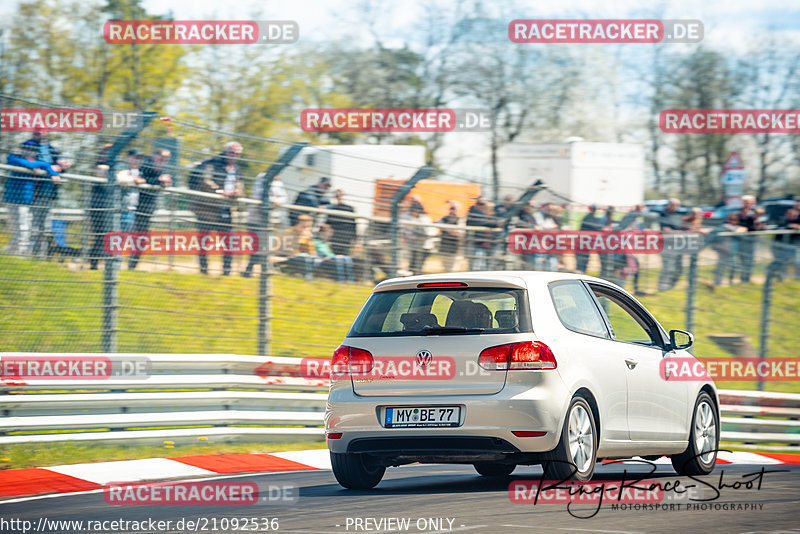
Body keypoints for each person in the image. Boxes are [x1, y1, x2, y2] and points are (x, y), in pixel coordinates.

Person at [188, 141, 244, 275]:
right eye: (231, 152)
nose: (233, 156)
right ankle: (203, 270)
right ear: (225, 152)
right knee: (204, 241)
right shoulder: (212, 163)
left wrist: (237, 192)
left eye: (237, 154)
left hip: (227, 210)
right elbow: (205, 180)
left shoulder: (236, 169)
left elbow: (241, 185)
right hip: (207, 209)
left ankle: (226, 271)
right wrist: (220, 191)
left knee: (229, 241)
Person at [3, 141, 60, 256]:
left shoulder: (38, 162)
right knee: (16, 228)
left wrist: (52, 172)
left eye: (32, 150)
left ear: (35, 152)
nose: (28, 151)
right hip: (12, 199)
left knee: (24, 227)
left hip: (25, 201)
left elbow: (46, 165)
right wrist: (39, 166)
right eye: (26, 148)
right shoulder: (13, 158)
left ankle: (19, 254)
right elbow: (29, 164)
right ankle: (13, 253)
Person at [27, 130, 71, 258]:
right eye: (36, 129)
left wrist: (62, 166)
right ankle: (27, 254)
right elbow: (30, 163)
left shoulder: (52, 150)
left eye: (41, 129)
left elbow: (61, 166)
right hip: (29, 192)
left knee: (44, 226)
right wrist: (49, 168)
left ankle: (40, 254)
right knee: (30, 224)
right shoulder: (28, 145)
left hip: (46, 194)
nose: (38, 132)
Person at [127, 149, 173, 270]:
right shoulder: (145, 165)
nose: (162, 163)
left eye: (164, 161)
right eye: (160, 159)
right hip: (132, 205)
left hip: (147, 208)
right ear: (154, 156)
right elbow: (139, 180)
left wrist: (162, 181)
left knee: (141, 237)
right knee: (127, 234)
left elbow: (165, 181)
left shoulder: (160, 169)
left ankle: (132, 265)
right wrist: (158, 181)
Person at [242, 173, 288, 278]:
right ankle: (255, 271)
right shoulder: (261, 179)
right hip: (254, 220)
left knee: (263, 247)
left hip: (267, 220)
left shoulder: (278, 184)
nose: (279, 175)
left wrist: (276, 201)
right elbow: (258, 196)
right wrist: (271, 201)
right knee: (258, 246)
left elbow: (283, 197)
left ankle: (253, 271)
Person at [657, 198, 685, 292]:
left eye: (677, 206)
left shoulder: (678, 215)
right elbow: (666, 230)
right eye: (674, 205)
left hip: (677, 245)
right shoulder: (663, 214)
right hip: (666, 245)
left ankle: (670, 288)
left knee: (679, 269)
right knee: (668, 268)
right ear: (669, 205)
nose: (676, 207)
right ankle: (663, 288)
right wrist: (679, 232)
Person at [402, 202, 436, 275]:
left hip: (424, 246)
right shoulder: (411, 218)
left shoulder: (425, 219)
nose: (412, 213)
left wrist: (416, 238)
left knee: (418, 266)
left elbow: (428, 234)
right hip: (414, 246)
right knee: (412, 266)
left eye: (414, 211)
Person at [115, 149, 145, 232]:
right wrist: (133, 180)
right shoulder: (123, 166)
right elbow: (119, 177)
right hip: (120, 207)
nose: (137, 161)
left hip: (133, 208)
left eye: (139, 158)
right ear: (129, 157)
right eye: (135, 158)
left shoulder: (140, 170)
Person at [768, 206, 800, 281]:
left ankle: (797, 279)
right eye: (788, 213)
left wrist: (797, 227)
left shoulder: (798, 221)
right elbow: (777, 228)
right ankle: (780, 278)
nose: (790, 215)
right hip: (780, 246)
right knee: (781, 262)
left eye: (793, 214)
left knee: (797, 262)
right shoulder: (782, 220)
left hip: (795, 245)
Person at [737, 195, 763, 283]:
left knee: (749, 260)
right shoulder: (739, 212)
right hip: (739, 240)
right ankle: (742, 278)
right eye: (745, 202)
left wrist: (747, 228)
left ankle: (746, 279)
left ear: (753, 203)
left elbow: (760, 226)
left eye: (749, 202)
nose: (747, 204)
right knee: (741, 259)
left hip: (751, 240)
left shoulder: (757, 212)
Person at [466, 197, 496, 271]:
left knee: (486, 267)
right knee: (478, 267)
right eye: (481, 204)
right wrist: (495, 224)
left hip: (488, 244)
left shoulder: (488, 216)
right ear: (476, 204)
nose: (482, 206)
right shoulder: (473, 213)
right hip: (478, 244)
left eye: (484, 205)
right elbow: (481, 222)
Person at [326, 189, 357, 256]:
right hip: (335, 237)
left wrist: (354, 237)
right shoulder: (331, 209)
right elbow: (328, 223)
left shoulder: (349, 209)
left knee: (344, 256)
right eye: (337, 196)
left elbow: (353, 224)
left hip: (345, 237)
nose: (339, 197)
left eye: (340, 195)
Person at [575, 205, 604, 273]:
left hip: (584, 242)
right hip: (583, 242)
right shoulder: (590, 218)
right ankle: (580, 272)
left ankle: (581, 271)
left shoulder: (588, 217)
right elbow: (595, 227)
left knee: (583, 259)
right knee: (582, 260)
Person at [437, 201, 463, 272]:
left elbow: (459, 232)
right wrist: (451, 230)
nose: (452, 210)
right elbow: (438, 226)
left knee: (452, 269)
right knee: (445, 268)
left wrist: (446, 228)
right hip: (444, 247)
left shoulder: (460, 220)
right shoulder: (444, 218)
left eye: (454, 208)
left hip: (454, 248)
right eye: (451, 208)